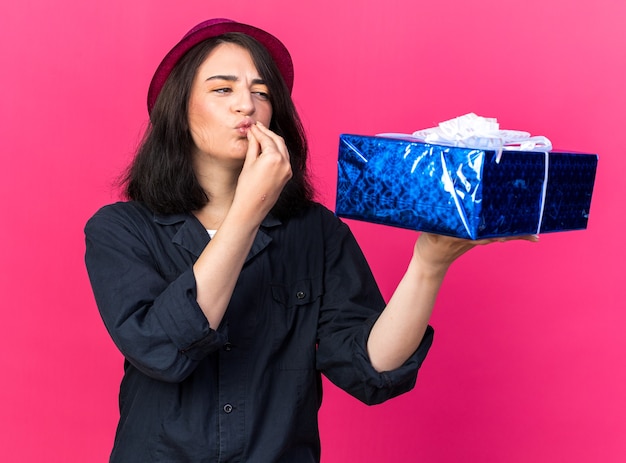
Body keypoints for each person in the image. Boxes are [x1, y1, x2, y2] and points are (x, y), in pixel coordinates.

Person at [84, 18, 536, 463]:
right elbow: (163, 350)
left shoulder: (314, 230)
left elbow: (373, 367)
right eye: (223, 89)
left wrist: (429, 264)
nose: (247, 105)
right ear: (177, 110)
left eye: (261, 92)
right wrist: (249, 209)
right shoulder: (120, 230)